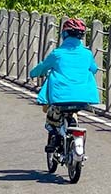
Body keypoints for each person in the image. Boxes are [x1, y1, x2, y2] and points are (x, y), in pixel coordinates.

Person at [29, 18, 100, 152]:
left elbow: (42, 68)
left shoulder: (57, 53)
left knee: (51, 113)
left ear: (64, 34)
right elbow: (94, 69)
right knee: (73, 112)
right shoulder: (87, 54)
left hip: (60, 98)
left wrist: (32, 73)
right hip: (83, 98)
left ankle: (55, 137)